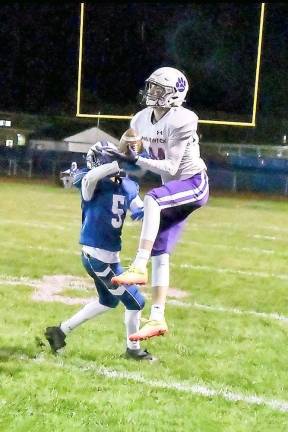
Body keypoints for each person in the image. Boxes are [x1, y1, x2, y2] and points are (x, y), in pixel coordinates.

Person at [108, 66, 209, 341]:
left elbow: (172, 165)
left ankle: (138, 265)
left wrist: (136, 159)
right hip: (172, 187)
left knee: (153, 198)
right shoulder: (140, 118)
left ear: (175, 94)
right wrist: (117, 155)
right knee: (160, 252)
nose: (152, 92)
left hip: (193, 183)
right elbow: (129, 150)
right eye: (151, 86)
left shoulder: (184, 119)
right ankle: (157, 317)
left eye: (159, 89)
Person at [45, 141, 154, 361]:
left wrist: (159, 210)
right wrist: (118, 162)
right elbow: (90, 177)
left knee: (108, 301)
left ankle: (60, 331)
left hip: (106, 257)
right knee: (136, 302)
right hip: (98, 257)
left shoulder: (127, 186)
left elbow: (140, 211)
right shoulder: (89, 181)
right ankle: (133, 350)